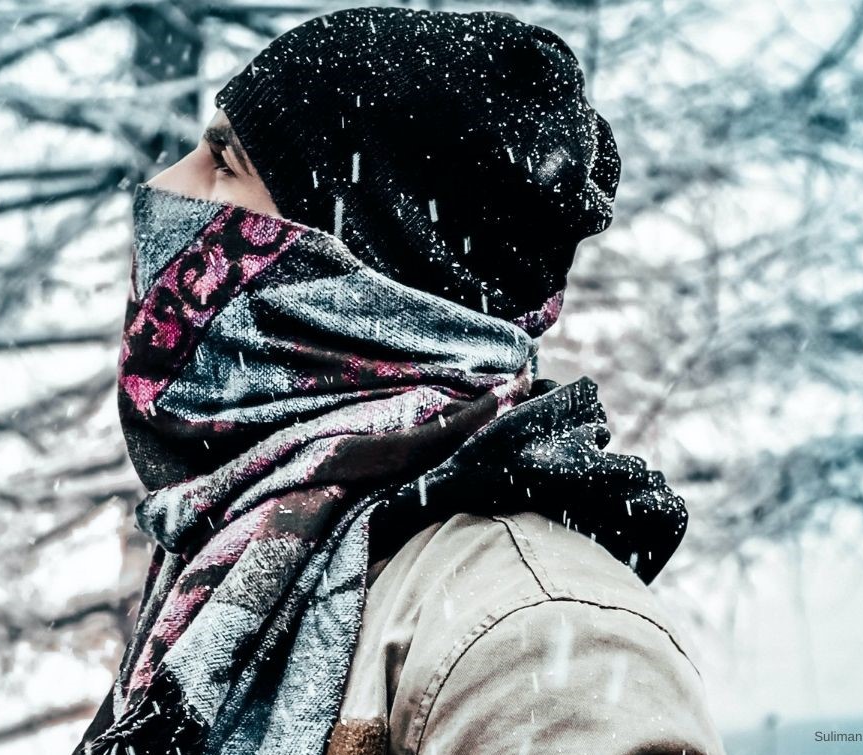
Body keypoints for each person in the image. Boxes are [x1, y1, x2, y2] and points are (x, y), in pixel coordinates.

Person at [76, 7, 725, 755]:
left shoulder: (536, 636)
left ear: (369, 274)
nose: (164, 186)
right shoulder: (232, 568)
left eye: (227, 163)